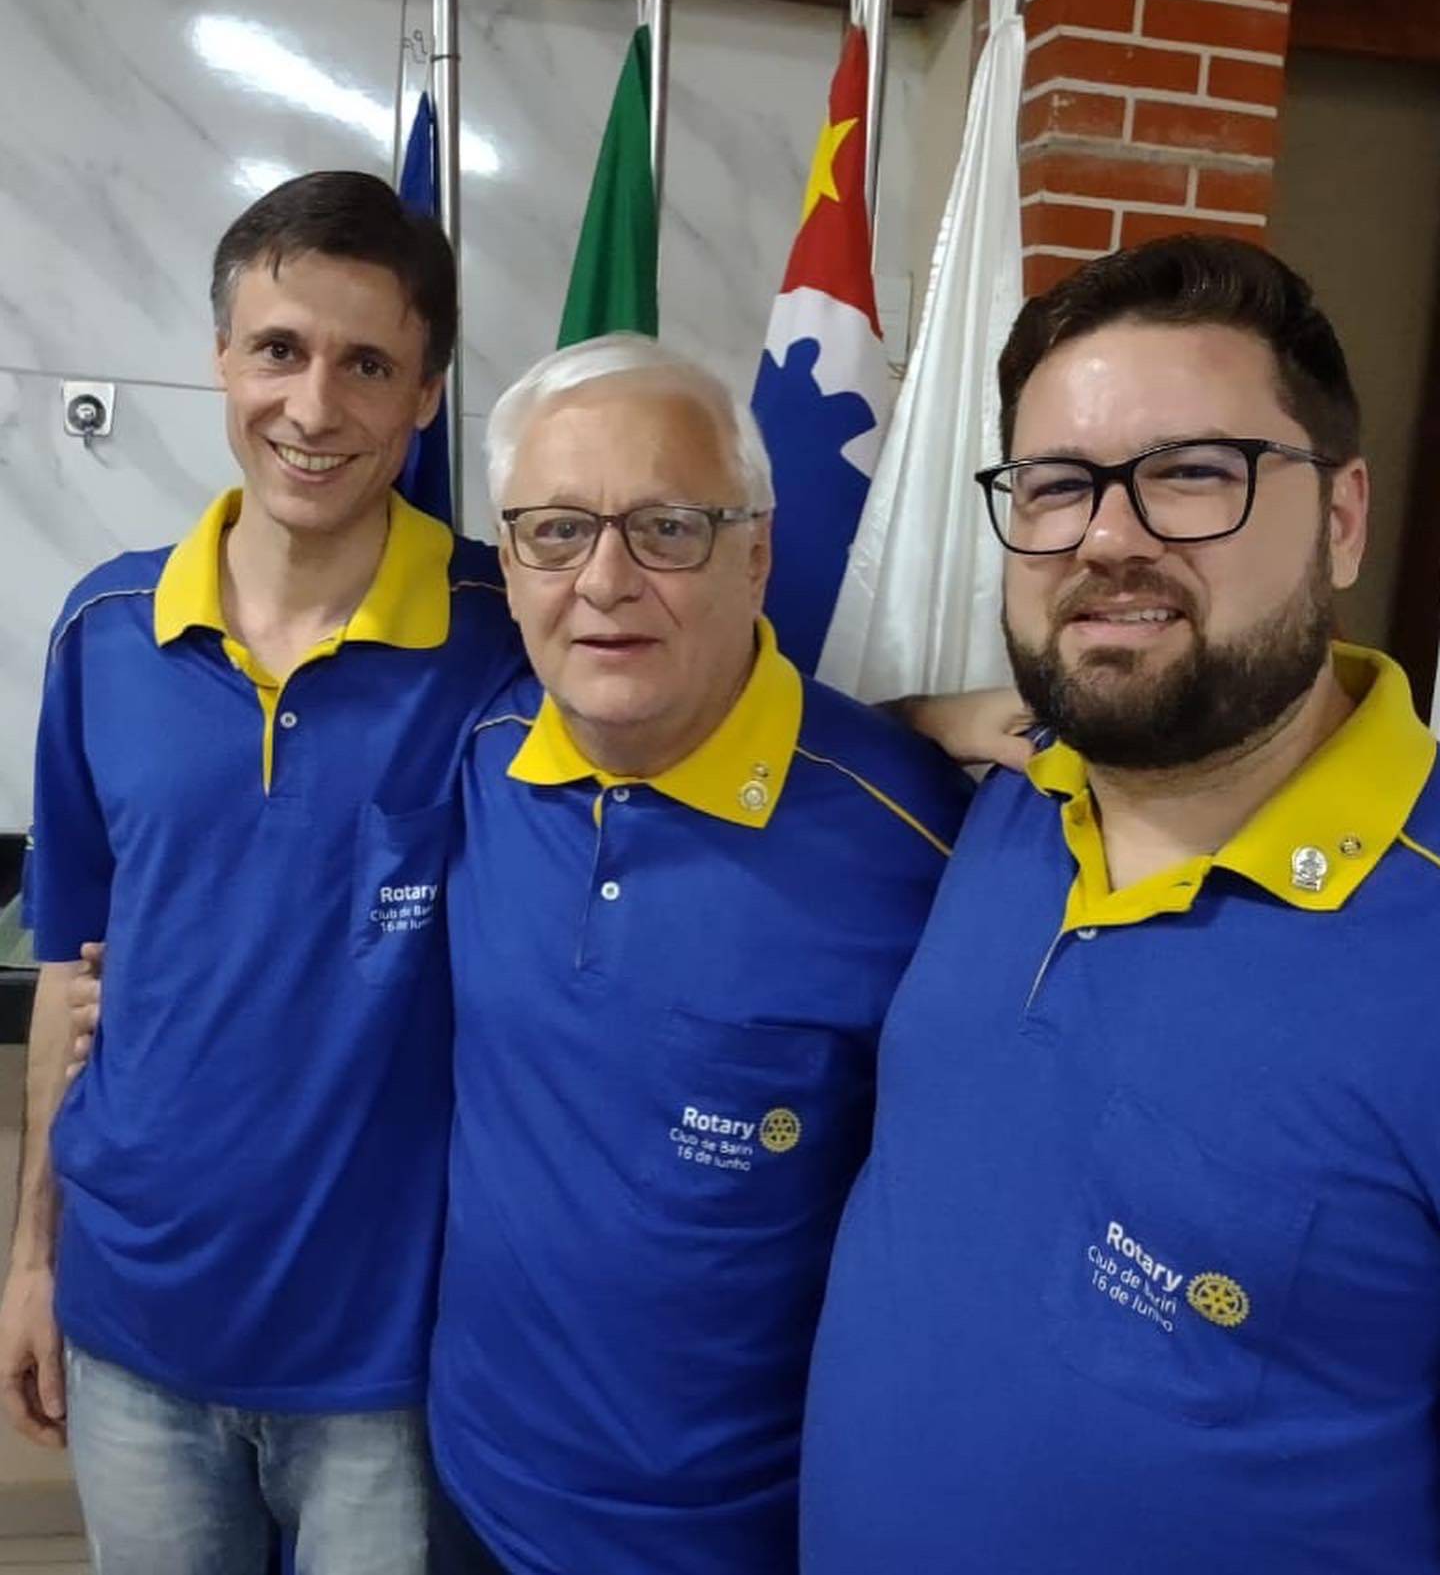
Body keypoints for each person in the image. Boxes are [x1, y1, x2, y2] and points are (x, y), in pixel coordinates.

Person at [800, 235, 1440, 1574]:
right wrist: (925, 718)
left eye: (1193, 472)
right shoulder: (1015, 798)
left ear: (1342, 518)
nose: (1106, 537)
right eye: (1056, 484)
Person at [0, 171, 524, 1574]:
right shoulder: (107, 627)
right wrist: (33, 1259)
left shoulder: (511, 633)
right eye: (280, 350)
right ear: (222, 358)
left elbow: (703, 701)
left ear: (427, 393)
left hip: (390, 1361)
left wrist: (932, 721)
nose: (313, 405)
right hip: (132, 1329)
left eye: (369, 364)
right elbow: (71, 974)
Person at [424, 335, 971, 1575]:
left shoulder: (918, 844)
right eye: (557, 531)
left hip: (739, 1539)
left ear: (758, 553)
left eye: (668, 528)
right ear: (508, 563)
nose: (605, 580)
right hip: (468, 1491)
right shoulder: (477, 758)